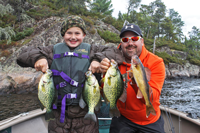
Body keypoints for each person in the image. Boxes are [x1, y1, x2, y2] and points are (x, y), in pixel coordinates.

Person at [16, 15, 109, 133]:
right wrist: (39, 58)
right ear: (63, 35)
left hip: (86, 121)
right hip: (58, 119)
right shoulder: (51, 51)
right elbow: (22, 55)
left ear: (84, 35)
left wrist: (97, 59)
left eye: (77, 33)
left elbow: (114, 52)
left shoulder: (92, 50)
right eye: (69, 33)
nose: (73, 37)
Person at [95, 23, 166, 133]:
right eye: (125, 39)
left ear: (141, 41)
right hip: (123, 117)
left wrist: (135, 81)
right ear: (121, 43)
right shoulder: (114, 60)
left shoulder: (156, 62)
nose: (130, 43)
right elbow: (107, 91)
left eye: (134, 38)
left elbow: (152, 98)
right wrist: (103, 71)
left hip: (149, 120)